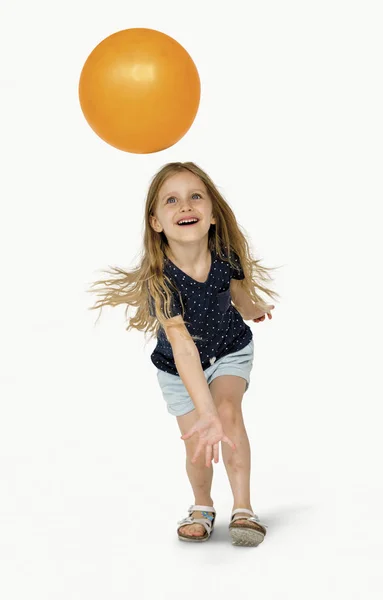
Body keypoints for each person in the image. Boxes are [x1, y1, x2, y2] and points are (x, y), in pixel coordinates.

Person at [88, 161, 280, 546]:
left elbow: (238, 296)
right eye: (171, 200)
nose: (185, 206)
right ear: (156, 222)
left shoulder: (225, 257)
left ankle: (243, 508)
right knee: (199, 439)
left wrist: (253, 309)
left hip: (230, 351)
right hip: (178, 368)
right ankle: (202, 505)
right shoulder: (160, 281)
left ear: (210, 213)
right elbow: (183, 347)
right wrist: (202, 409)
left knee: (227, 414)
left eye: (195, 197)